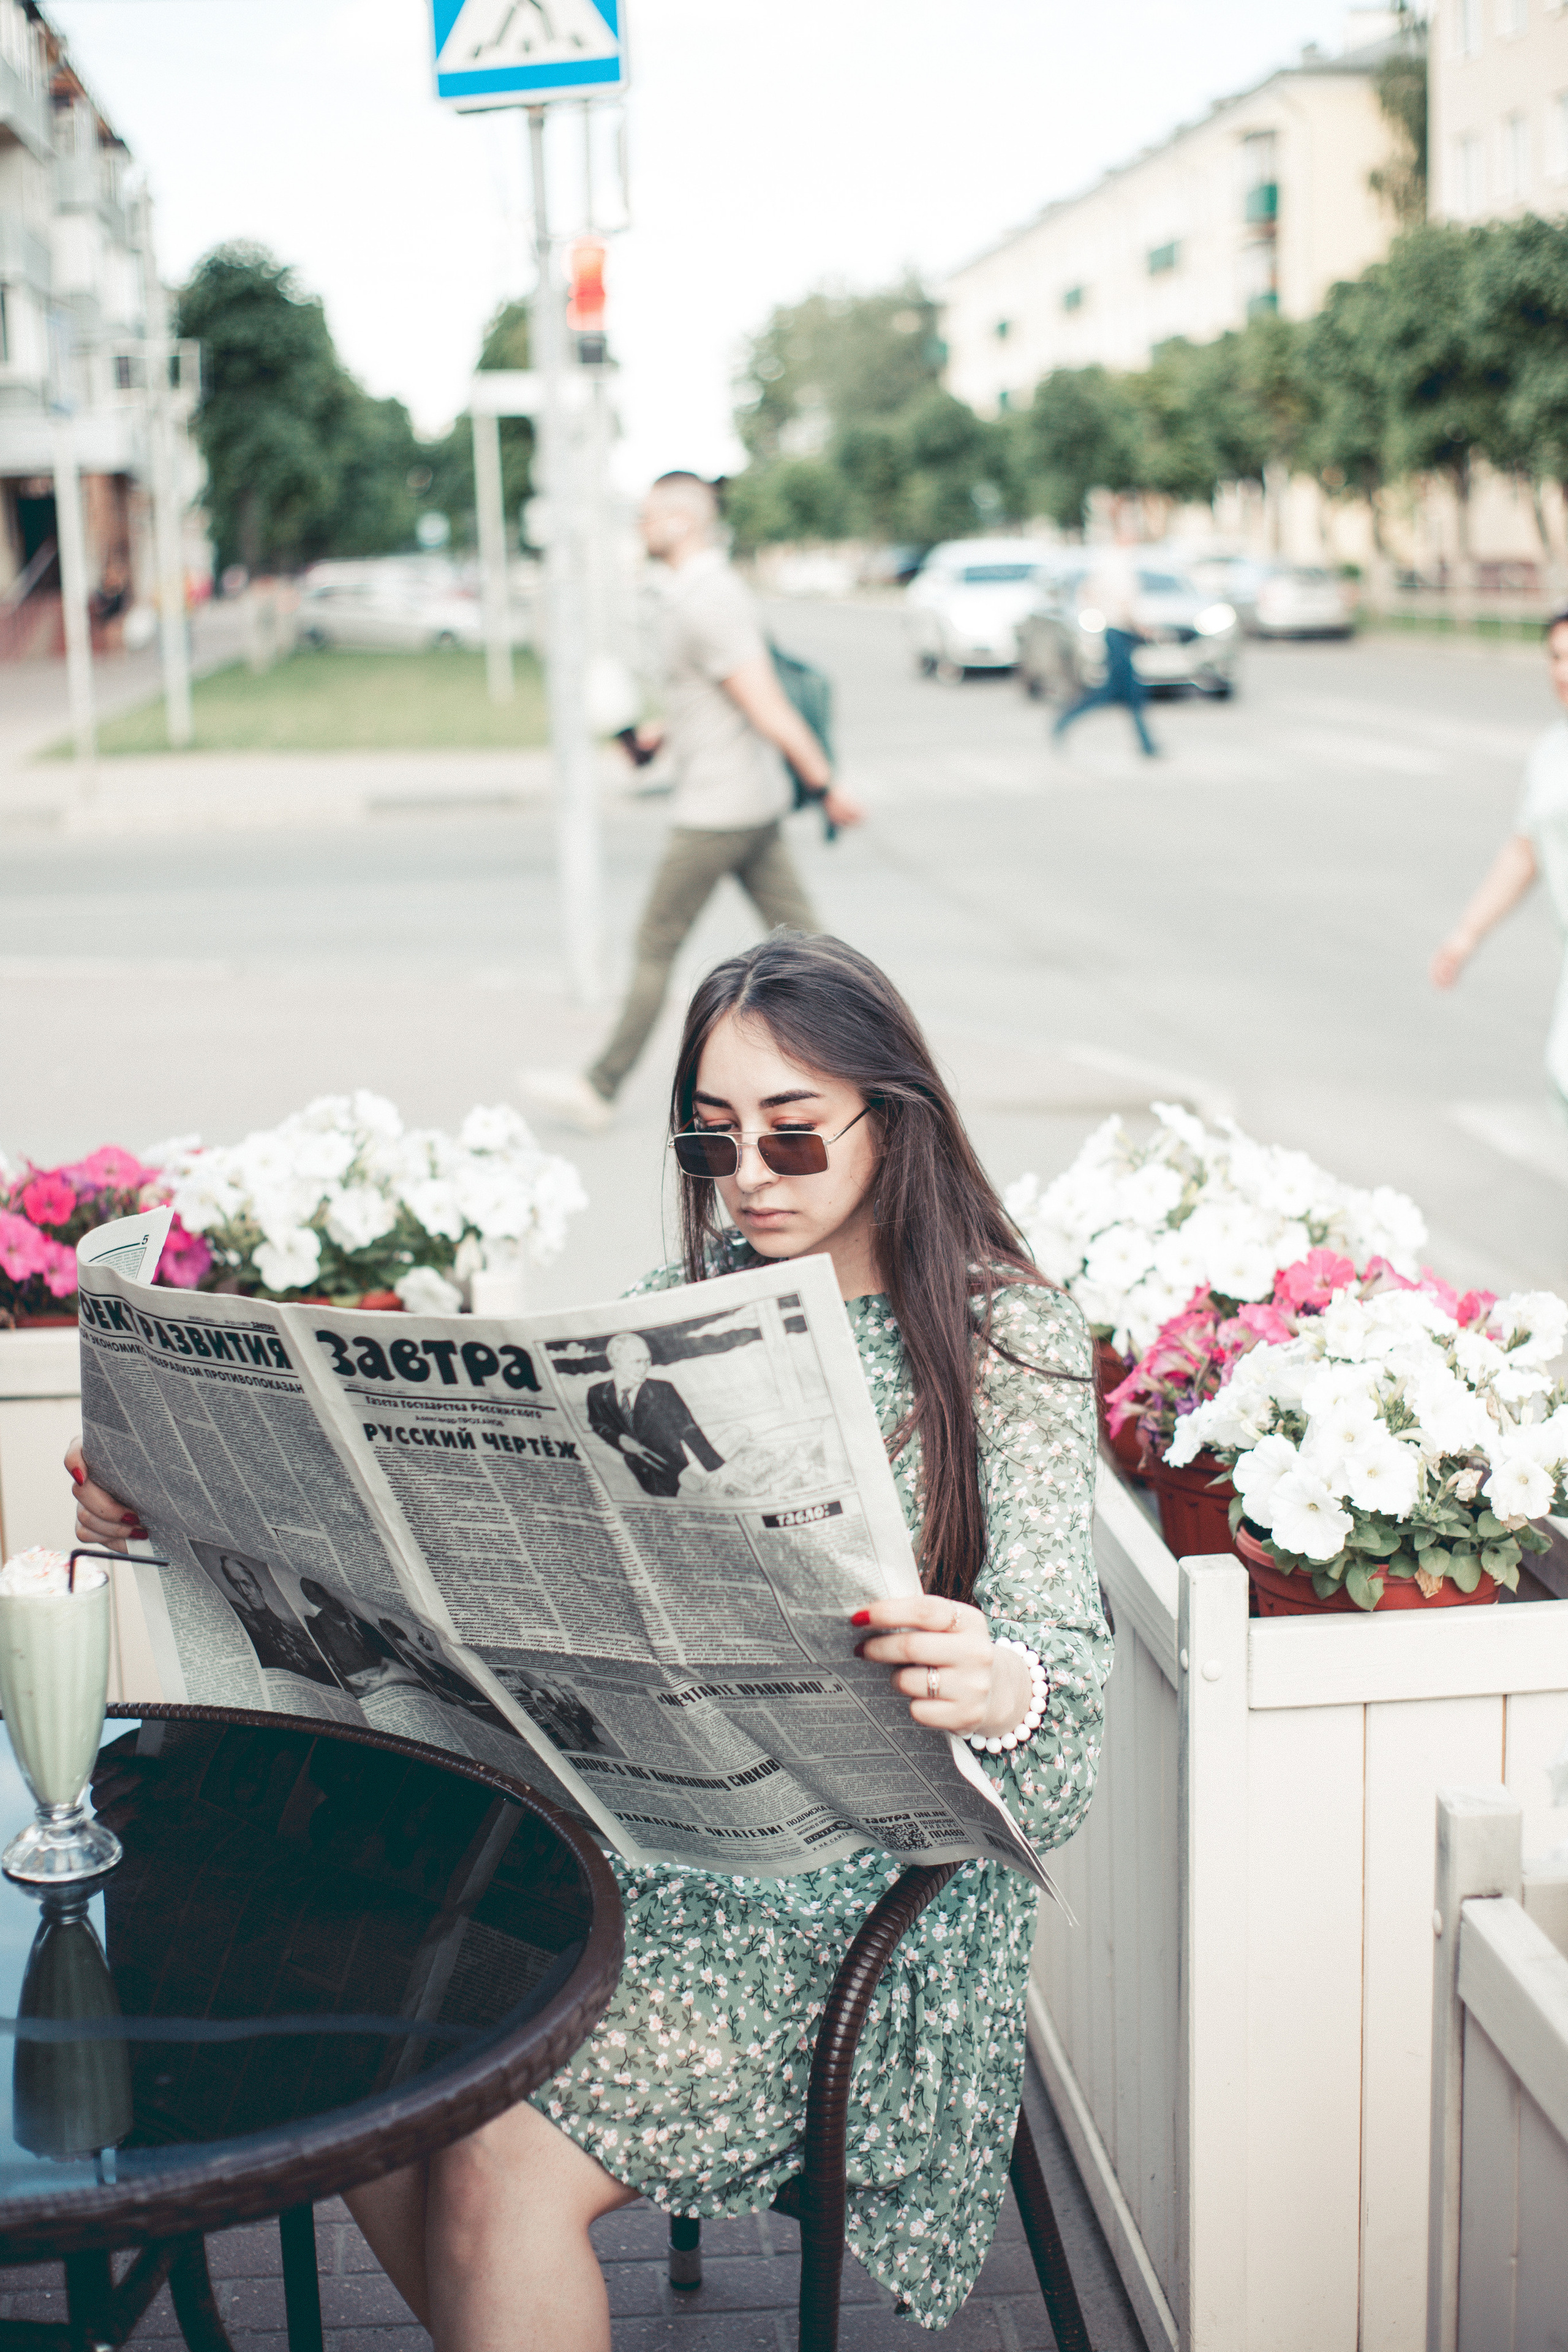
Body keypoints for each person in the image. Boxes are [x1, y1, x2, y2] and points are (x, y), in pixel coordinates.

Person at [66, 932, 1108, 2352]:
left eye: (792, 1137)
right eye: (711, 1133)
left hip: (849, 1905)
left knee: (491, 2164)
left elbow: (1062, 1714)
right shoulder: (652, 1317)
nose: (746, 1176)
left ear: (895, 1118)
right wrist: (165, 1509)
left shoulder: (1011, 1345)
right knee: (361, 2071)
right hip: (634, 1851)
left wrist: (994, 1678)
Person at [522, 472, 864, 1132]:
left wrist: (826, 786)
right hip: (748, 805)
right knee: (811, 948)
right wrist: (654, 737)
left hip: (716, 812)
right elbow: (714, 694)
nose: (640, 528)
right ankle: (867, 1070)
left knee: (655, 943)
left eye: (649, 517)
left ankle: (600, 1085)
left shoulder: (707, 601)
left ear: (683, 522)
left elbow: (765, 704)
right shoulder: (694, 596)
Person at [1432, 607, 1568, 1101]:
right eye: (1555, 657)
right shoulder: (1554, 753)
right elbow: (1526, 851)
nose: (1562, 672)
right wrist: (1466, 936)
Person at [1051, 530, 1159, 759]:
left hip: (1113, 632)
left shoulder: (1104, 562)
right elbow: (1125, 604)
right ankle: (1064, 720)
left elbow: (1087, 592)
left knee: (1129, 692)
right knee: (1116, 691)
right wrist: (1143, 629)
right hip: (1119, 634)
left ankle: (1147, 744)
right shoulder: (1119, 566)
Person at [584, 1330, 725, 1497]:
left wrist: (716, 1467)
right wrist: (619, 1440)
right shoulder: (597, 1393)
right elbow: (598, 1424)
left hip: (674, 1474)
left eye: (648, 1360)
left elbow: (688, 1429)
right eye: (637, 1362)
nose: (644, 1368)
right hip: (633, 1477)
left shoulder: (663, 1390)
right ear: (615, 1361)